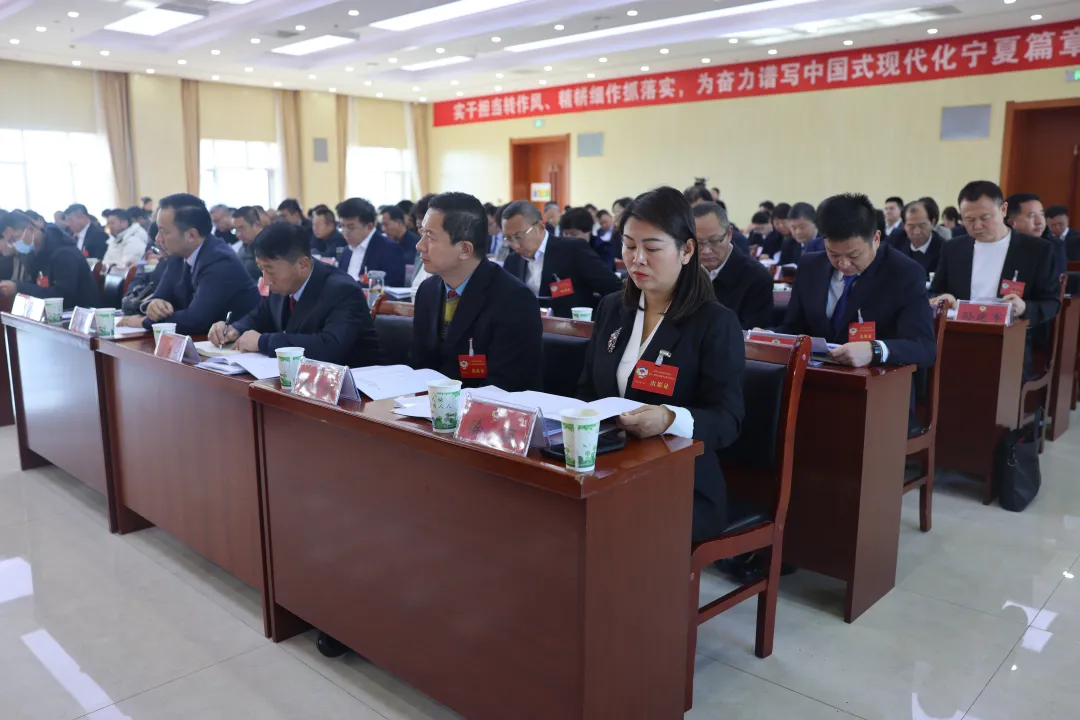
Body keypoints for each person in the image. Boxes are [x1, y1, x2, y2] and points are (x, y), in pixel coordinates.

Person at [578, 186, 744, 542]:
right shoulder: (612, 308)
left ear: (687, 250)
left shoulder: (714, 323)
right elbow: (588, 390)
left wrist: (669, 418)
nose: (636, 259)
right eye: (629, 246)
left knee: (612, 528)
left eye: (652, 249)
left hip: (682, 480)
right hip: (610, 466)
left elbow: (727, 420)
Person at [775, 192, 936, 369]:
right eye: (834, 254)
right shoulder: (810, 267)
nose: (843, 264)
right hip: (815, 374)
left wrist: (874, 350)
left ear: (875, 239)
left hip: (877, 378)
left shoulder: (904, 273)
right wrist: (769, 337)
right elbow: (792, 328)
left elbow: (924, 347)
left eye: (854, 255)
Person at [411, 191, 543, 391]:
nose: (419, 246)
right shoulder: (427, 291)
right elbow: (419, 365)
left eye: (430, 236)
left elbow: (506, 386)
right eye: (422, 233)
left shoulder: (514, 300)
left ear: (465, 249)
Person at [209, 223, 383, 367]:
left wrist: (263, 342)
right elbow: (261, 316)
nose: (266, 280)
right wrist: (235, 329)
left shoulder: (342, 290)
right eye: (261, 269)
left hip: (355, 387)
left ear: (303, 264)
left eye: (270, 270)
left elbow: (329, 346)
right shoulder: (282, 285)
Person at [930, 181, 1060, 349]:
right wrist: (942, 299)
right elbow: (933, 292)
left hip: (1011, 343)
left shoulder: (1036, 250)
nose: (977, 226)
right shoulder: (953, 249)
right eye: (969, 219)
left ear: (1003, 209)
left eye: (985, 218)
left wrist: (1024, 308)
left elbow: (1051, 303)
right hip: (957, 337)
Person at [117, 194, 260, 333]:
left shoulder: (221, 262)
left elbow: (194, 320)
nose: (158, 238)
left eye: (163, 231)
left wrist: (144, 321)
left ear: (191, 235)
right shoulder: (178, 256)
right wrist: (155, 305)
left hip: (235, 343)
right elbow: (161, 296)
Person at [501, 200, 622, 317]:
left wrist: (599, 321)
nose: (514, 246)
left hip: (570, 328)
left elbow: (615, 289)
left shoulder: (573, 250)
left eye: (519, 236)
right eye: (508, 239)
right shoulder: (512, 261)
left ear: (540, 227)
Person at [694, 202, 773, 330]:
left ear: (729, 234)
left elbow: (749, 335)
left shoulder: (757, 277)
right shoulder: (682, 271)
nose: (706, 250)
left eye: (714, 241)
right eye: (698, 242)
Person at [0, 211, 99, 308]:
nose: (14, 245)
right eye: (10, 242)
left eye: (14, 239)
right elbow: (39, 287)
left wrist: (18, 288)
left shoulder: (64, 253)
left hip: (82, 312)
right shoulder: (34, 254)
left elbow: (62, 297)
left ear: (30, 230)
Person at [336, 197, 406, 287]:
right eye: (342, 226)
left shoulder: (390, 249)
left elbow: (392, 286)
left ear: (369, 226)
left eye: (351, 227)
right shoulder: (346, 251)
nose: (345, 232)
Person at [1006, 193, 1064, 280]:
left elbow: (1056, 282)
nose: (1040, 222)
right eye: (1032, 216)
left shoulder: (1054, 246)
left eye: (1042, 214)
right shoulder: (1001, 244)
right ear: (1012, 223)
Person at [892, 199, 944, 280]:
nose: (917, 232)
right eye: (911, 226)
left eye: (922, 226)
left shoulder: (944, 249)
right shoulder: (896, 240)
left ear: (932, 223)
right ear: (904, 225)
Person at [231, 206, 265, 282]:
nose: (238, 234)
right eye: (235, 229)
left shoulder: (271, 247)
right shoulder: (242, 248)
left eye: (241, 228)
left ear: (257, 224)